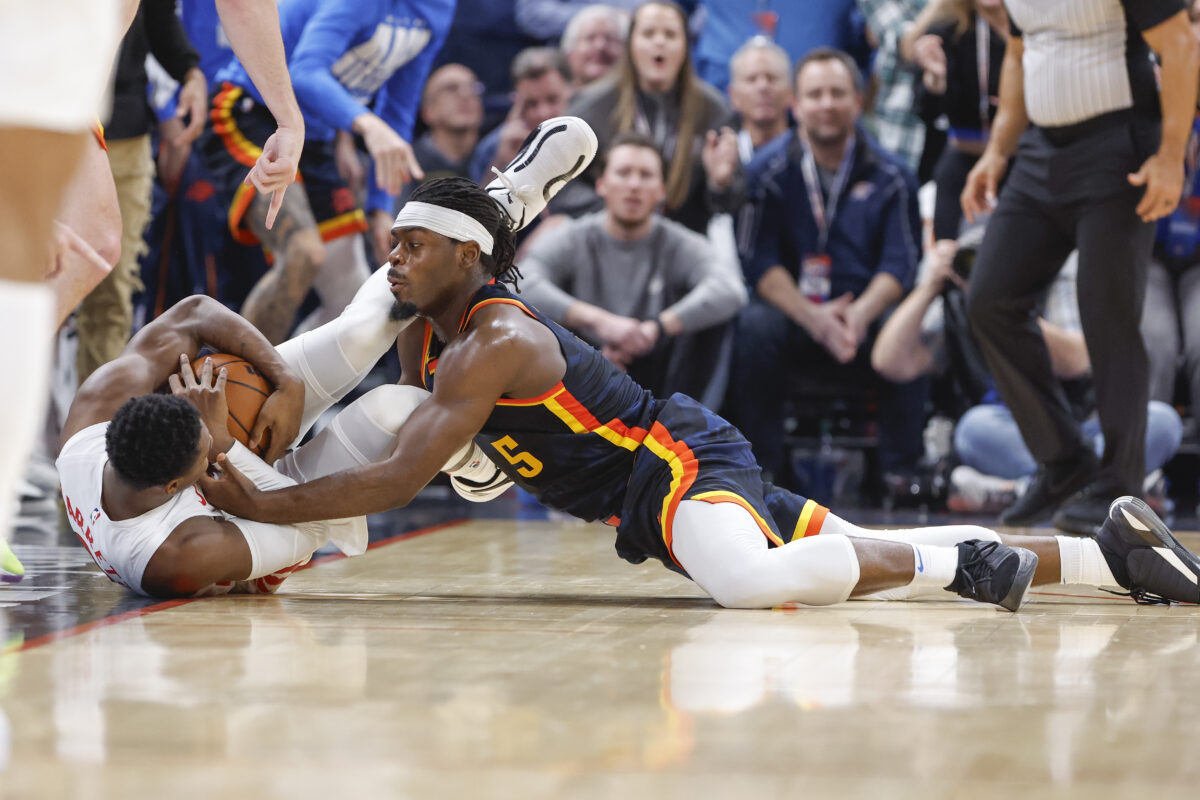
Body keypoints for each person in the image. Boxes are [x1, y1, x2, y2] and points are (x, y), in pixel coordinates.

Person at [198, 174, 1200, 610]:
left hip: (673, 462)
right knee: (846, 550)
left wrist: (262, 502)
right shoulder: (438, 327)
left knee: (757, 585)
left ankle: (969, 566)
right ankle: (1103, 553)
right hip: (653, 476)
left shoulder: (493, 339)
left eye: (410, 243)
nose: (392, 257)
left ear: (468, 252)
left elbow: (392, 477)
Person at [0, 0, 305, 585]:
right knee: (38, 255)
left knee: (89, 247)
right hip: (30, 57)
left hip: (63, 73)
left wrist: (288, 119)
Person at [960, 0, 1199, 533]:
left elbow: (1182, 45)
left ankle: (1121, 486)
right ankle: (1065, 460)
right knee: (990, 300)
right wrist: (998, 150)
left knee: (1107, 313)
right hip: (1044, 148)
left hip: (1120, 143)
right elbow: (1020, 52)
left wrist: (1169, 154)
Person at [200, 0, 455, 343]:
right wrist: (364, 124)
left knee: (353, 304)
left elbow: (398, 109)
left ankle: (292, 390)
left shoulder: (440, 8)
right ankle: (234, 384)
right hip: (252, 110)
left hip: (316, 133)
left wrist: (381, 208)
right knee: (303, 253)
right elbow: (305, 72)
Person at [732, 47, 926, 492]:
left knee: (907, 326)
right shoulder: (765, 173)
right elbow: (758, 263)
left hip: (866, 312)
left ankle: (902, 471)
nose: (826, 103)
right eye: (814, 94)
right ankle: (763, 472)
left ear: (858, 101)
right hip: (796, 313)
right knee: (753, 326)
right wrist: (814, 318)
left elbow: (901, 262)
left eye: (837, 93)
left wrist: (856, 316)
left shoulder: (894, 174)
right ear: (795, 104)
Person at [872, 237, 1182, 515]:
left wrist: (1004, 308)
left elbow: (1076, 360)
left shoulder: (1059, 269)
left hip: (1082, 427)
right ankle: (1106, 486)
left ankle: (1026, 489)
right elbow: (889, 362)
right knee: (972, 430)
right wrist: (930, 286)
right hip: (1015, 433)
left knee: (1162, 421)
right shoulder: (959, 298)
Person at [520, 133, 746, 407]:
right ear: (602, 185)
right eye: (624, 173)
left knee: (719, 324)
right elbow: (521, 281)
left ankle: (688, 426)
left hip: (661, 371)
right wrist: (599, 322)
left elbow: (729, 289)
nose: (634, 184)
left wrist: (658, 328)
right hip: (579, 369)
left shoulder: (677, 241)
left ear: (661, 190)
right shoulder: (575, 236)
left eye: (646, 175)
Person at [77, 0, 207, 385]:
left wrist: (190, 72)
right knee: (35, 278)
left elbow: (159, 14)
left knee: (113, 287)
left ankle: (90, 428)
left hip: (125, 127)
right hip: (48, 119)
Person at [565, 0, 741, 234]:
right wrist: (615, 210)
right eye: (648, 33)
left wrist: (719, 185)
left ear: (686, 46)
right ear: (630, 45)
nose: (659, 42)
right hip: (606, 236)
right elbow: (561, 188)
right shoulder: (588, 107)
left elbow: (732, 202)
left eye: (670, 34)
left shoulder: (714, 110)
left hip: (684, 242)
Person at [903, 0, 1007, 242]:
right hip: (964, 156)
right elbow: (924, 111)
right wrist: (935, 81)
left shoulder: (1032, 29)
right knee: (949, 256)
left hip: (1021, 159)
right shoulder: (948, 29)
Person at [470, 48, 574, 187]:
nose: (543, 113)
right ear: (515, 101)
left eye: (552, 99)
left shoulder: (595, 131)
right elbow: (478, 207)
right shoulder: (493, 148)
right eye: (531, 104)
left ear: (571, 91)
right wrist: (504, 162)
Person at [400, 64, 486, 204]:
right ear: (428, 111)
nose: (466, 94)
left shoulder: (494, 153)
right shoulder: (408, 162)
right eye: (451, 88)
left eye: (473, 87)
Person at [560, 4, 629, 90]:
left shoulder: (641, 101)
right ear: (568, 53)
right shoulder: (551, 100)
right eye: (590, 38)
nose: (601, 46)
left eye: (610, 38)